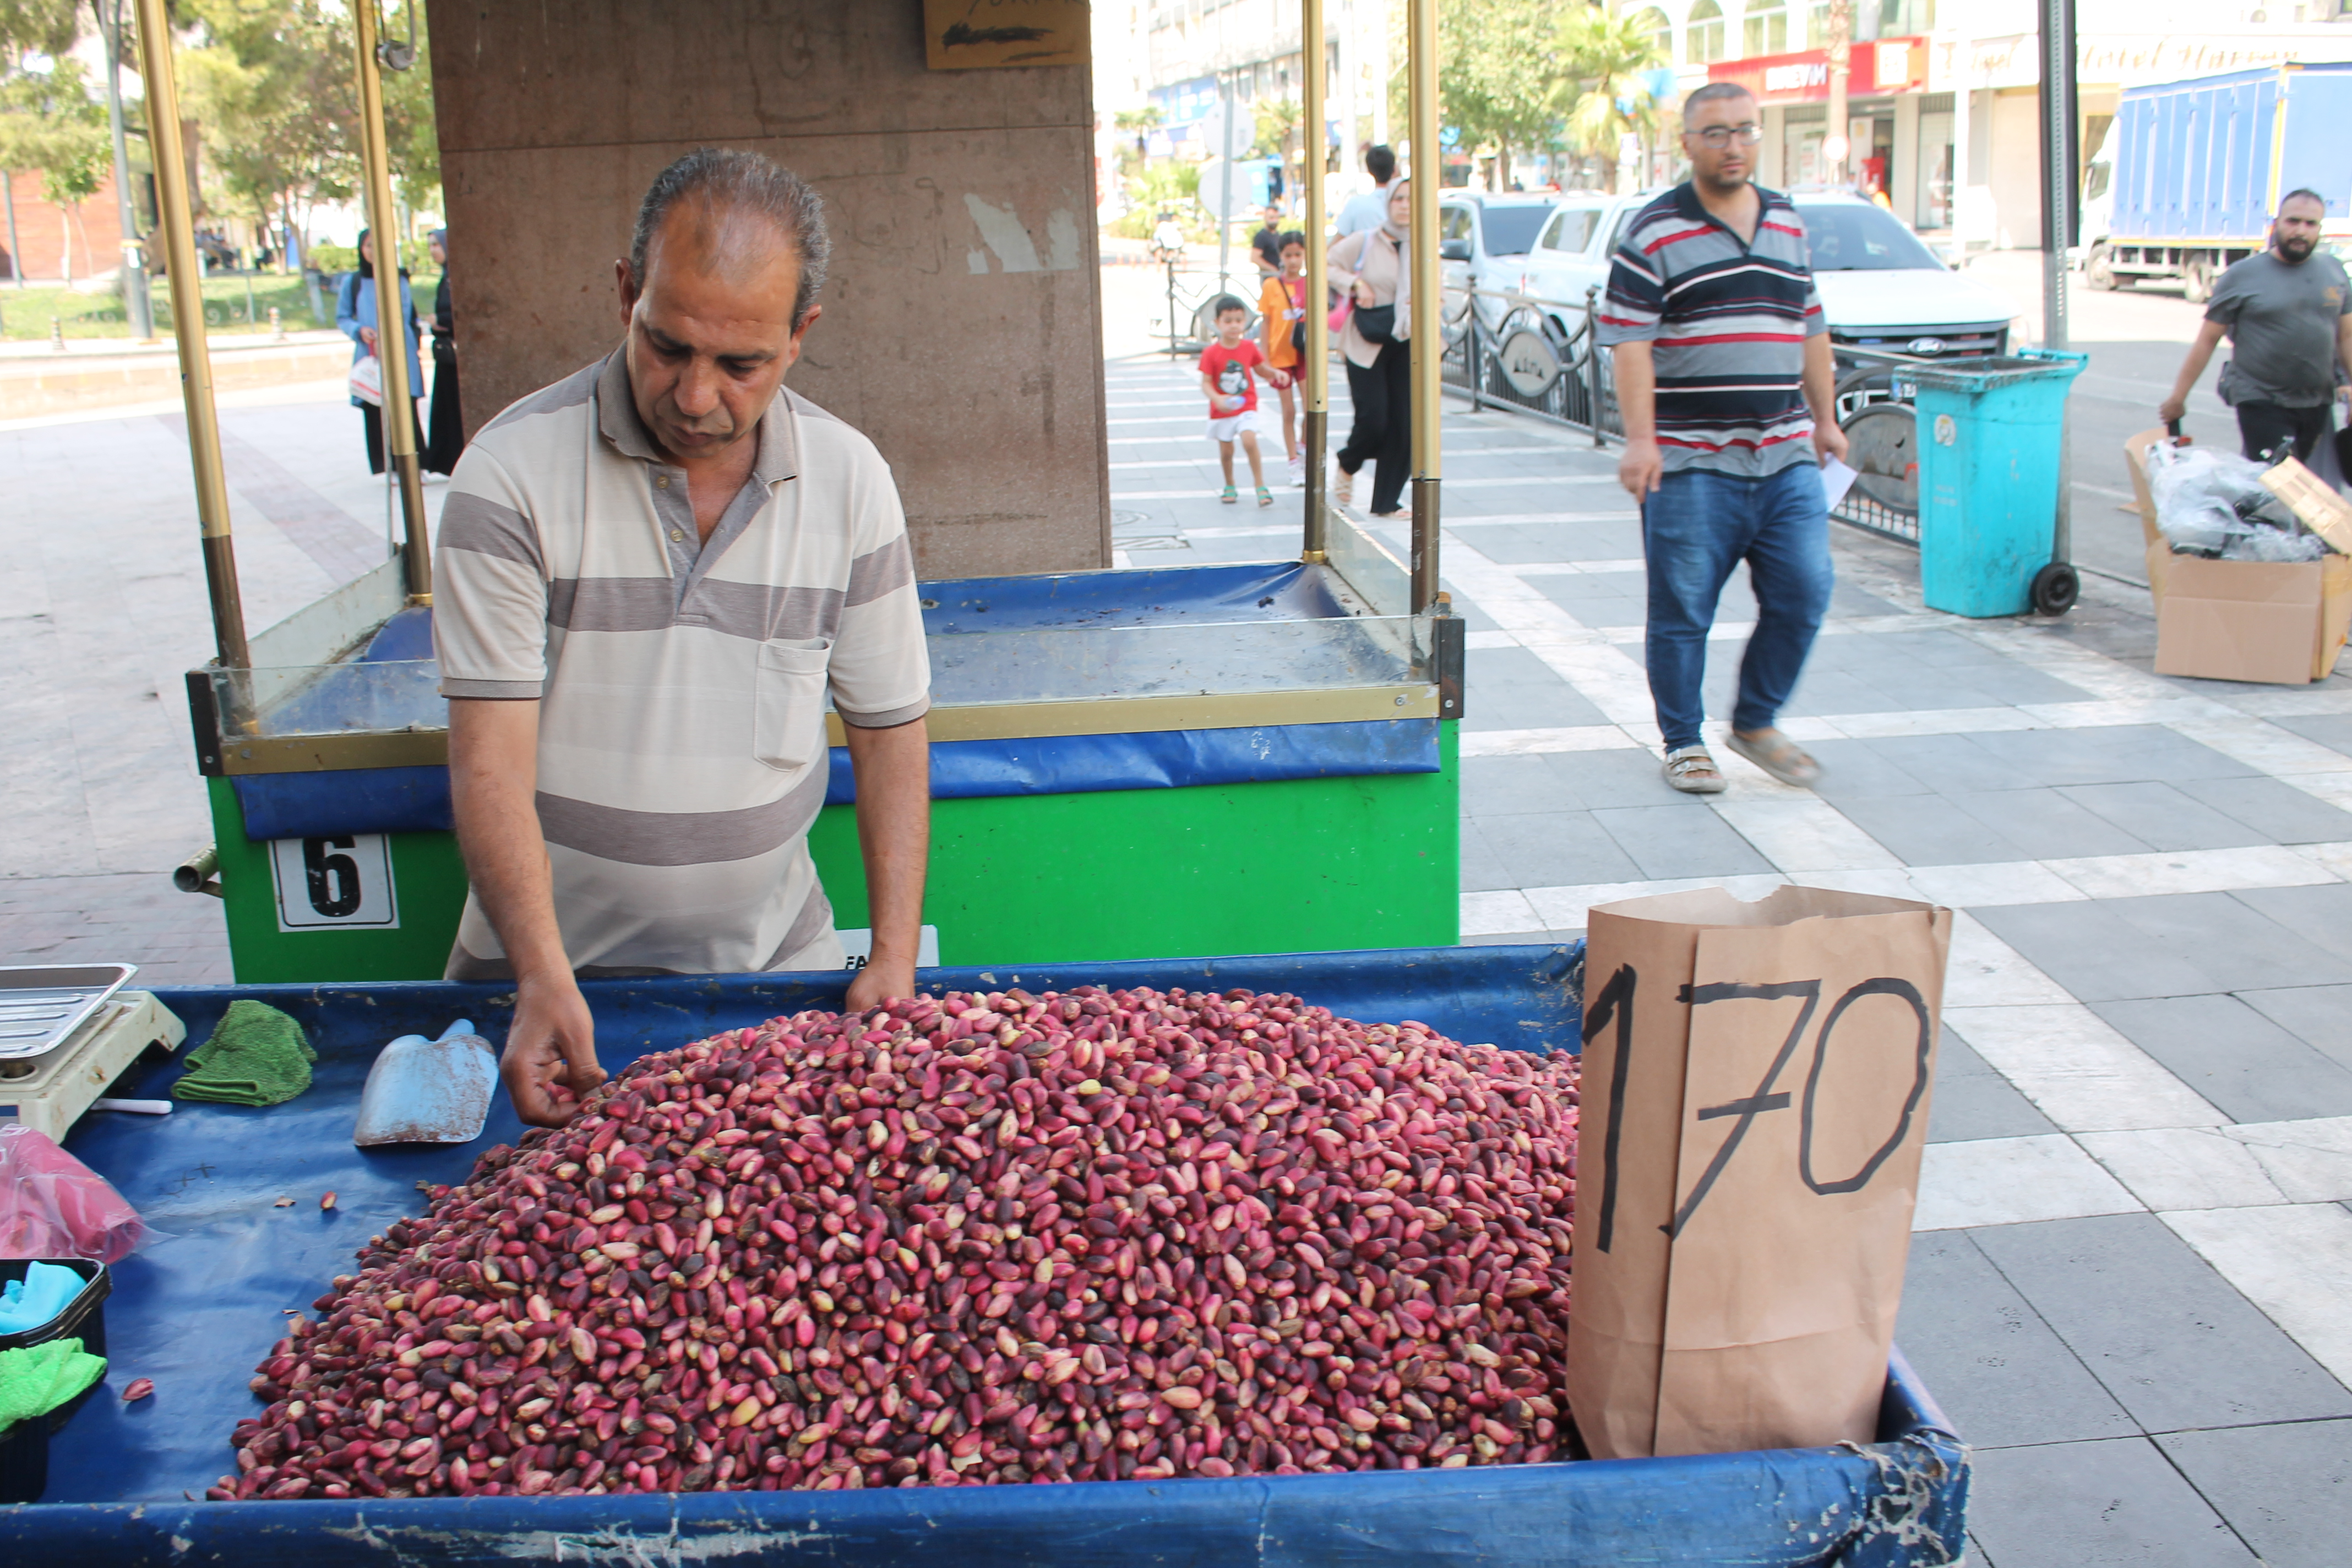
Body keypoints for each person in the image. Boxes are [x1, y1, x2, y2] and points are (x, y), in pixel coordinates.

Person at [434, 148, 933, 1128]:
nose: (696, 395)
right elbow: (487, 761)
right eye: (667, 346)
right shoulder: (509, 474)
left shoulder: (850, 479)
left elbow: (889, 734)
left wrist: (893, 957)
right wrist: (541, 975)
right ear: (626, 293)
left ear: (800, 337)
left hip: (775, 988)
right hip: (544, 997)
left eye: (739, 364)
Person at [1599, 81, 1847, 795]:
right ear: (1688, 144)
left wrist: (1826, 420)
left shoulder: (1787, 222)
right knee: (1682, 609)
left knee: (1805, 591)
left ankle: (1756, 720)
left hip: (1785, 453)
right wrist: (1641, 442)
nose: (1733, 146)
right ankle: (1684, 740)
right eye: (1716, 133)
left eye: (1744, 131)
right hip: (1689, 461)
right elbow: (1631, 343)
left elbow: (1812, 326)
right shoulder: (1654, 232)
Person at [2159, 189, 2352, 465]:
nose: (2301, 231)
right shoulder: (2242, 276)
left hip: (2315, 401)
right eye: (2293, 221)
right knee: (2281, 479)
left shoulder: (2334, 272)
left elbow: (2346, 337)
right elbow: (2207, 340)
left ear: (2320, 229)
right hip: (2261, 399)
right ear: (2276, 224)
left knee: (2280, 483)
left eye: (2310, 224)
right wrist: (2178, 398)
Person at [1327, 179, 1414, 517]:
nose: (1405, 205)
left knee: (1405, 426)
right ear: (1389, 203)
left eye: (1411, 199)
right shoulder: (1366, 241)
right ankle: (1349, 463)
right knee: (1374, 419)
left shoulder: (1423, 246)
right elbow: (1327, 263)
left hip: (1408, 340)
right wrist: (1356, 283)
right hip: (1367, 340)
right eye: (1399, 199)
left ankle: (1386, 501)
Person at [336, 228, 426, 476]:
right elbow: (342, 317)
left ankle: (416, 465)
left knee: (405, 405)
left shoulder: (398, 279)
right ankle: (389, 466)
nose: (373, 251)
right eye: (368, 246)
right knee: (377, 408)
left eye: (378, 245)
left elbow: (407, 314)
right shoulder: (353, 282)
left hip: (400, 352)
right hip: (372, 353)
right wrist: (359, 330)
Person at [1200, 295, 1291, 505]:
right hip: (1222, 410)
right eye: (1228, 321)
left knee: (1249, 440)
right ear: (1217, 323)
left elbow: (1260, 369)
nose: (1234, 326)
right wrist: (1217, 398)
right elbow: (1205, 382)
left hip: (1246, 405)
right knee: (1226, 451)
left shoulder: (1249, 347)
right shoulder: (1211, 353)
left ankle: (1260, 485)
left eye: (1239, 320)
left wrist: (1275, 373)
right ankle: (1229, 484)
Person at [1258, 231, 1309, 484]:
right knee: (1288, 410)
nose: (1293, 261)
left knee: (1313, 408)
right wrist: (1265, 359)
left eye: (1298, 255)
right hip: (1280, 358)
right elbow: (1266, 323)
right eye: (1288, 255)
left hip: (1304, 355)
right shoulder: (1271, 286)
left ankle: (1303, 445)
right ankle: (1293, 463)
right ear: (1281, 256)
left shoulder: (1310, 285)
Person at [422, 227, 466, 476]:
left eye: (436, 245)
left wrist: (441, 320)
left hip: (456, 355)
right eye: (429, 246)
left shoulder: (456, 278)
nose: (432, 251)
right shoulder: (445, 278)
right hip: (446, 357)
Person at [1333, 144, 1398, 238]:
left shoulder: (1356, 205)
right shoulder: (1408, 205)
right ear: (1395, 170)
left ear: (1369, 170)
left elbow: (1336, 245)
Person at [1250, 203, 1285, 279]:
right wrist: (1272, 270)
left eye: (1277, 218)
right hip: (1268, 277)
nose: (1275, 221)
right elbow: (1255, 258)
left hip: (1279, 276)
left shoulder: (1278, 235)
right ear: (1265, 217)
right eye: (1271, 218)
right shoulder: (1261, 236)